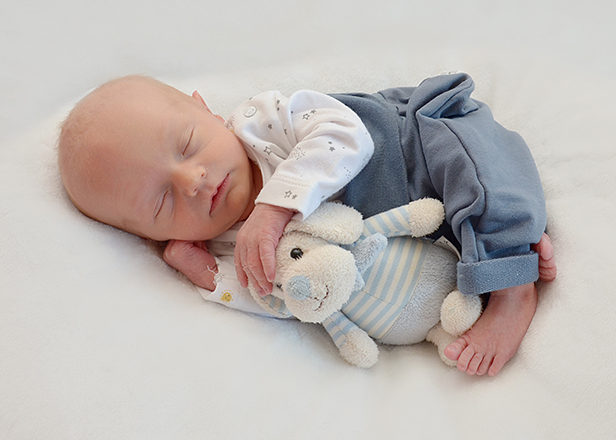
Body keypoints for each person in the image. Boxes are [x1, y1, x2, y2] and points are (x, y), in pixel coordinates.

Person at [58, 74, 557, 377]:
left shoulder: (264, 122)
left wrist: (274, 208)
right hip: (422, 239)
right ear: (153, 236)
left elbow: (347, 134)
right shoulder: (223, 244)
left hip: (415, 147)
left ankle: (512, 287)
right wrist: (202, 272)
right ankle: (497, 252)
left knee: (477, 169)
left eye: (188, 144)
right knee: (476, 220)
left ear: (205, 108)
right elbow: (275, 300)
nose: (193, 181)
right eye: (163, 202)